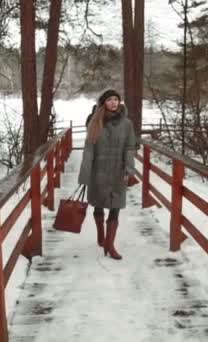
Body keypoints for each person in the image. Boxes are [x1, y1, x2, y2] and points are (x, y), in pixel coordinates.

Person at [78, 89, 136, 260]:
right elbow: (89, 150)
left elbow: (130, 147)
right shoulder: (95, 122)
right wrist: (85, 174)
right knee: (98, 204)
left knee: (115, 208)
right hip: (98, 172)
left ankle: (110, 245)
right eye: (110, 99)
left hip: (118, 172)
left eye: (116, 99)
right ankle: (100, 236)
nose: (114, 102)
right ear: (104, 102)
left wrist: (129, 169)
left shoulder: (127, 124)